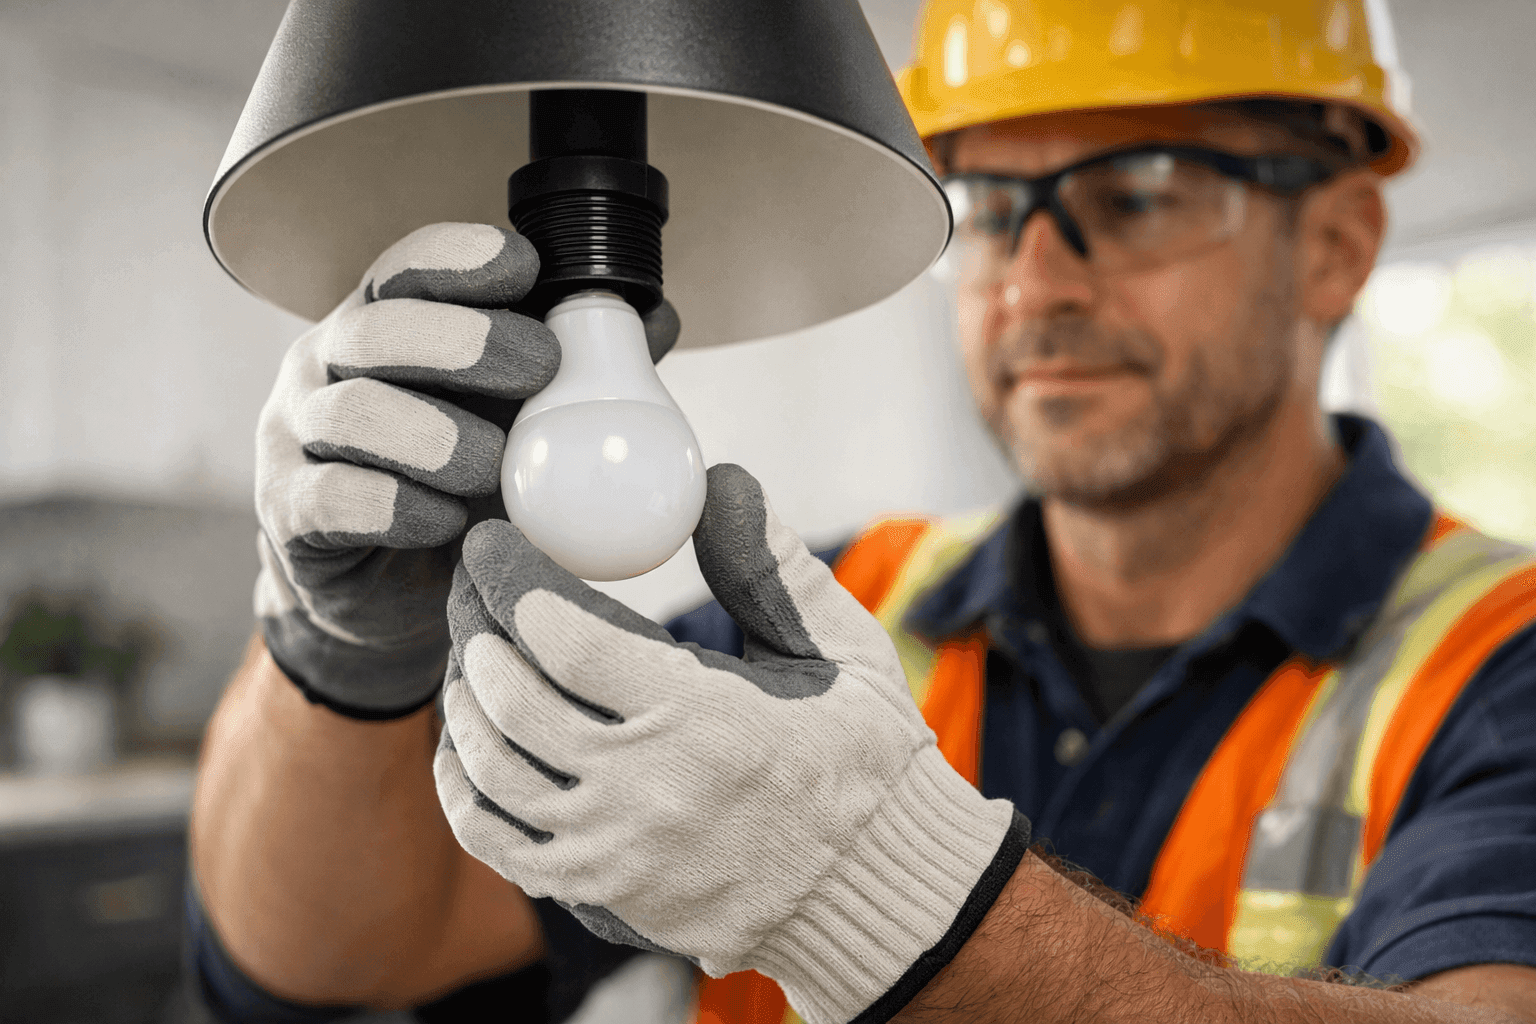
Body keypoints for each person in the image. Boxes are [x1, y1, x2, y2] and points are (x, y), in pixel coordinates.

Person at [187, 1, 1536, 1022]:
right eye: (997, 208)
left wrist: (895, 896)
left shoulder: (1497, 663)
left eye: (1137, 195)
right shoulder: (833, 612)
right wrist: (343, 661)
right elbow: (338, 964)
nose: (1036, 284)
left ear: (1341, 245)